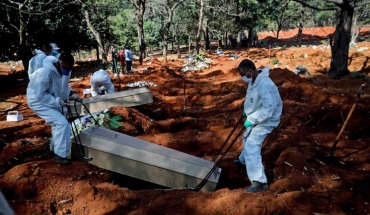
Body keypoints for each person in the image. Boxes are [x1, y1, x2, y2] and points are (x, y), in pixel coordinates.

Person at [234, 59, 282, 193]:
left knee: (252, 144)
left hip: (267, 119)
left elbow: (268, 109)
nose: (243, 78)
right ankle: (244, 160)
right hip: (256, 115)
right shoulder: (253, 80)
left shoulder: (265, 84)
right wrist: (247, 110)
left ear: (250, 71)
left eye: (244, 75)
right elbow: (253, 98)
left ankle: (259, 182)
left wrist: (252, 118)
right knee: (246, 136)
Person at [27, 52, 80, 165]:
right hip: (37, 101)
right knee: (61, 123)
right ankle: (60, 155)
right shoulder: (45, 72)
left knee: (59, 121)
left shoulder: (64, 71)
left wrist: (71, 93)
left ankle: (54, 148)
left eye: (70, 67)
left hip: (52, 99)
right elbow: (39, 95)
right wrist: (56, 101)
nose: (68, 70)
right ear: (59, 63)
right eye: (67, 67)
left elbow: (63, 87)